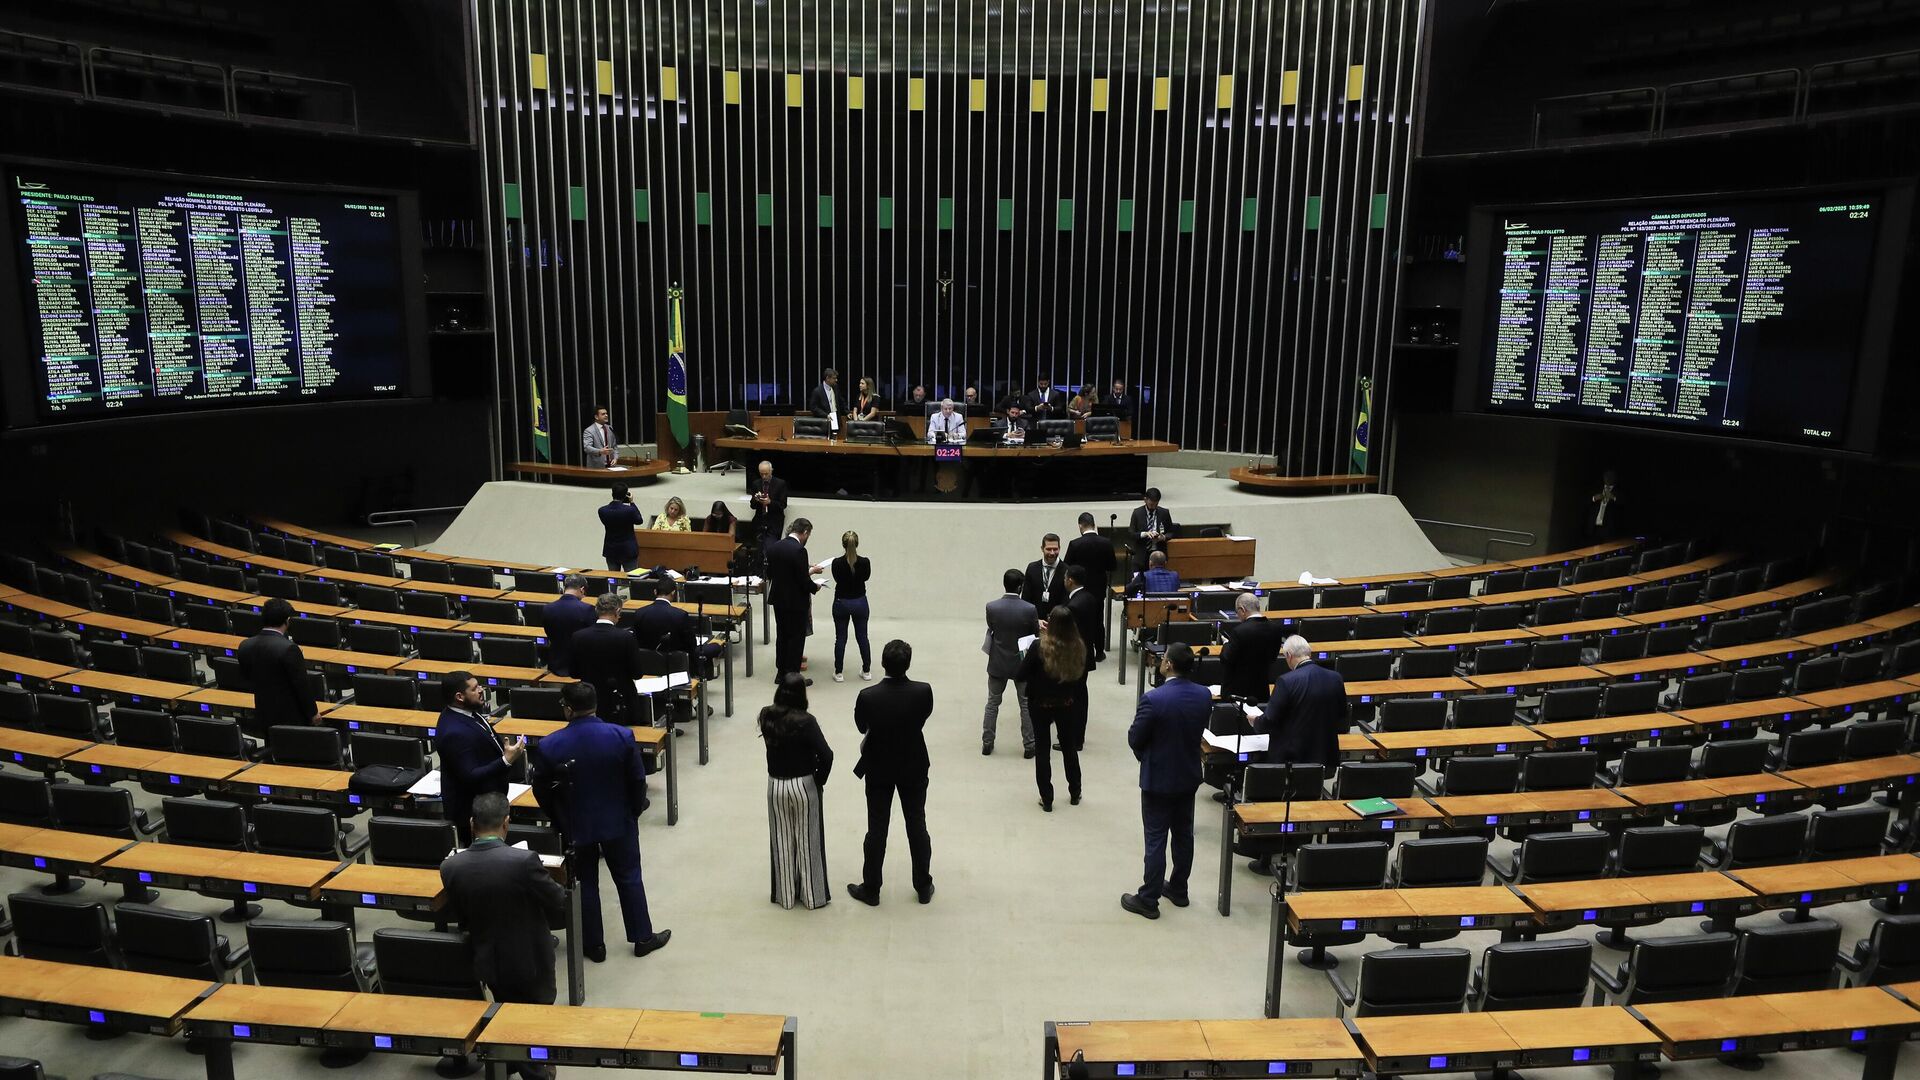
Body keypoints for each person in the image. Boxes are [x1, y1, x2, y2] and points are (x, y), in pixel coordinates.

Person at [530, 680, 670, 961]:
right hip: (618, 820)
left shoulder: (549, 745)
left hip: (575, 823)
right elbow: (637, 780)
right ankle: (642, 936)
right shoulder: (621, 736)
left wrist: (559, 818)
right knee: (629, 877)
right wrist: (633, 811)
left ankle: (594, 945)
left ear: (568, 709)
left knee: (586, 883)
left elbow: (541, 790)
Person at [439, 792, 567, 1070]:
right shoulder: (524, 861)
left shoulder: (450, 867)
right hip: (530, 959)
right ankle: (535, 1071)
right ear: (506, 823)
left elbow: (461, 916)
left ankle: (507, 1063)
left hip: (487, 957)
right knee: (532, 1024)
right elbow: (558, 899)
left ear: (472, 823)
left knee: (504, 1012)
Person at [1121, 643, 1210, 919]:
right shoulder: (1203, 695)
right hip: (1188, 774)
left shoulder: (1154, 699)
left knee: (1156, 838)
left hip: (1158, 777)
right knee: (1183, 835)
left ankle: (1149, 898)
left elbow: (1135, 737)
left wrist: (1145, 755)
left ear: (1169, 664)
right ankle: (1179, 889)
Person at [847, 639, 935, 906]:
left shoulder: (868, 696)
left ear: (883, 663)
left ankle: (872, 888)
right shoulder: (923, 691)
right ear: (908, 664)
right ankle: (923, 885)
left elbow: (861, 726)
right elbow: (923, 717)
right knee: (917, 825)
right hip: (913, 763)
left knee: (877, 828)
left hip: (879, 765)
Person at [760, 673, 834, 910]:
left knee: (781, 840)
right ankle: (812, 896)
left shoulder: (766, 715)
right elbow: (827, 755)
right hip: (803, 784)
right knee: (807, 840)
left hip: (775, 785)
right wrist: (818, 781)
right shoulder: (807, 721)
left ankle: (786, 896)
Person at [434, 671, 525, 847]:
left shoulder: (468, 711)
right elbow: (470, 775)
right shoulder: (454, 732)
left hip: (490, 801)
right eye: (475, 688)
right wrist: (505, 761)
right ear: (459, 697)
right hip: (474, 813)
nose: (481, 690)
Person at [1018, 610, 1088, 811]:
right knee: (1069, 748)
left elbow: (1020, 674)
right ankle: (1075, 791)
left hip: (1040, 704)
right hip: (1066, 703)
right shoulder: (1078, 646)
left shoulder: (1039, 647)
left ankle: (1046, 797)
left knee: (1042, 749)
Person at [1255, 634, 1347, 770]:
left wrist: (1255, 721)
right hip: (1325, 756)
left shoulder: (1285, 681)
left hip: (1292, 759)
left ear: (1289, 655)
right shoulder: (1335, 678)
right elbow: (1342, 713)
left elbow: (1269, 720)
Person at [236, 597, 317, 733]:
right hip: (291, 719)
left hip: (262, 713)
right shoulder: (289, 649)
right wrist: (313, 713)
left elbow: (246, 677)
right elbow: (301, 686)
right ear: (287, 621)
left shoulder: (245, 645)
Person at [983, 569, 1038, 759]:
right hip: (1022, 663)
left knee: (992, 703)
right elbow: (1034, 632)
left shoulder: (992, 607)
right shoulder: (1029, 609)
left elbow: (992, 627)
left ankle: (987, 742)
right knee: (1026, 705)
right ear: (1020, 587)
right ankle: (1029, 745)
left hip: (997, 662)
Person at [569, 593, 646, 728]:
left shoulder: (578, 636)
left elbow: (574, 673)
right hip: (621, 701)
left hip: (589, 701)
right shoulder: (626, 637)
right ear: (617, 611)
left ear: (596, 610)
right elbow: (637, 673)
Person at [627, 574, 724, 674]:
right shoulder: (680, 615)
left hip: (647, 662)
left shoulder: (639, 613)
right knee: (715, 647)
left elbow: (636, 639)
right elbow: (691, 645)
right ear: (673, 592)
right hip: (677, 662)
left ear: (655, 592)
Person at [768, 517, 824, 683]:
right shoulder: (799, 550)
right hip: (795, 602)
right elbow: (803, 581)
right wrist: (815, 587)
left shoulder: (775, 547)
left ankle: (781, 672)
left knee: (782, 636)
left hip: (778, 599)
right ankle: (793, 676)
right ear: (805, 532)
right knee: (796, 639)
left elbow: (771, 573)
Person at [1219, 591, 1287, 701]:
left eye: (1237, 612)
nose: (1237, 615)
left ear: (1242, 610)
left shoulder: (1239, 631)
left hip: (1238, 692)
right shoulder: (1275, 629)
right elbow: (1273, 658)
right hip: (1262, 689)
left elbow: (1226, 658)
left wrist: (1226, 644)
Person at [1065, 512, 1117, 645]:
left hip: (1080, 589)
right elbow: (1112, 566)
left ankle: (1083, 648)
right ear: (1094, 525)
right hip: (1098, 588)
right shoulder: (1106, 543)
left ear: (1080, 526)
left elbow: (1067, 566)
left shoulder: (1075, 544)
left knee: (1080, 621)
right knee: (1098, 620)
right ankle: (1099, 650)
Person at [830, 530, 872, 682]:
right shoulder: (865, 562)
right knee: (863, 637)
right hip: (860, 602)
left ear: (843, 545)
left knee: (841, 638)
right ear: (857, 544)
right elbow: (866, 577)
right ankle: (866, 671)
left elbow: (837, 579)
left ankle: (839, 672)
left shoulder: (836, 563)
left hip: (841, 602)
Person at [541, 574, 596, 677]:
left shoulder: (547, 608)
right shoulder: (588, 609)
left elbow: (548, 633)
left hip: (556, 663)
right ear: (582, 589)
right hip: (581, 665)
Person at [1062, 564, 1105, 670]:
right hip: (1088, 653)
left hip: (1076, 657)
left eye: (1065, 578)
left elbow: (1070, 633)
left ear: (1070, 581)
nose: (1064, 581)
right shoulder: (1090, 597)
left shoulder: (1073, 606)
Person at [600, 482, 644, 572]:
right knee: (632, 577)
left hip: (611, 550)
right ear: (625, 495)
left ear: (612, 494)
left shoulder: (602, 510)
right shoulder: (630, 510)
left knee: (613, 577)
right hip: (628, 550)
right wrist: (632, 502)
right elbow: (639, 521)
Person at [1129, 487, 1174, 572]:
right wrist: (1145, 534)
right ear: (1145, 500)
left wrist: (1163, 537)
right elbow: (1131, 533)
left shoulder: (1164, 513)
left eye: (1156, 504)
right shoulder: (1137, 513)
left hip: (1158, 555)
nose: (1153, 507)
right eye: (1151, 504)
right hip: (1142, 555)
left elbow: (1171, 532)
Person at [749, 460, 790, 554]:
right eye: (761, 474)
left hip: (774, 522)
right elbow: (752, 505)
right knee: (759, 550)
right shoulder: (756, 483)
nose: (764, 476)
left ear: (771, 471)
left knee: (770, 548)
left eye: (766, 474)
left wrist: (770, 502)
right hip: (760, 521)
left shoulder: (780, 484)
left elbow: (783, 505)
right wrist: (757, 500)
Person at [1021, 533, 1068, 612]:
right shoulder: (1032, 568)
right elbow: (1026, 597)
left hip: (1057, 618)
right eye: (1048, 549)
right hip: (1035, 617)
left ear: (1059, 548)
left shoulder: (1066, 570)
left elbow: (1066, 600)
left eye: (1055, 549)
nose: (1052, 553)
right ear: (1042, 549)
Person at [806, 368, 842, 435]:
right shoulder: (817, 391)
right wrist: (825, 415)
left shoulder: (835, 387)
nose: (836, 380)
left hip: (835, 419)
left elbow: (840, 401)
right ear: (827, 378)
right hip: (824, 422)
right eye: (834, 378)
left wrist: (847, 412)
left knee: (834, 438)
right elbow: (813, 407)